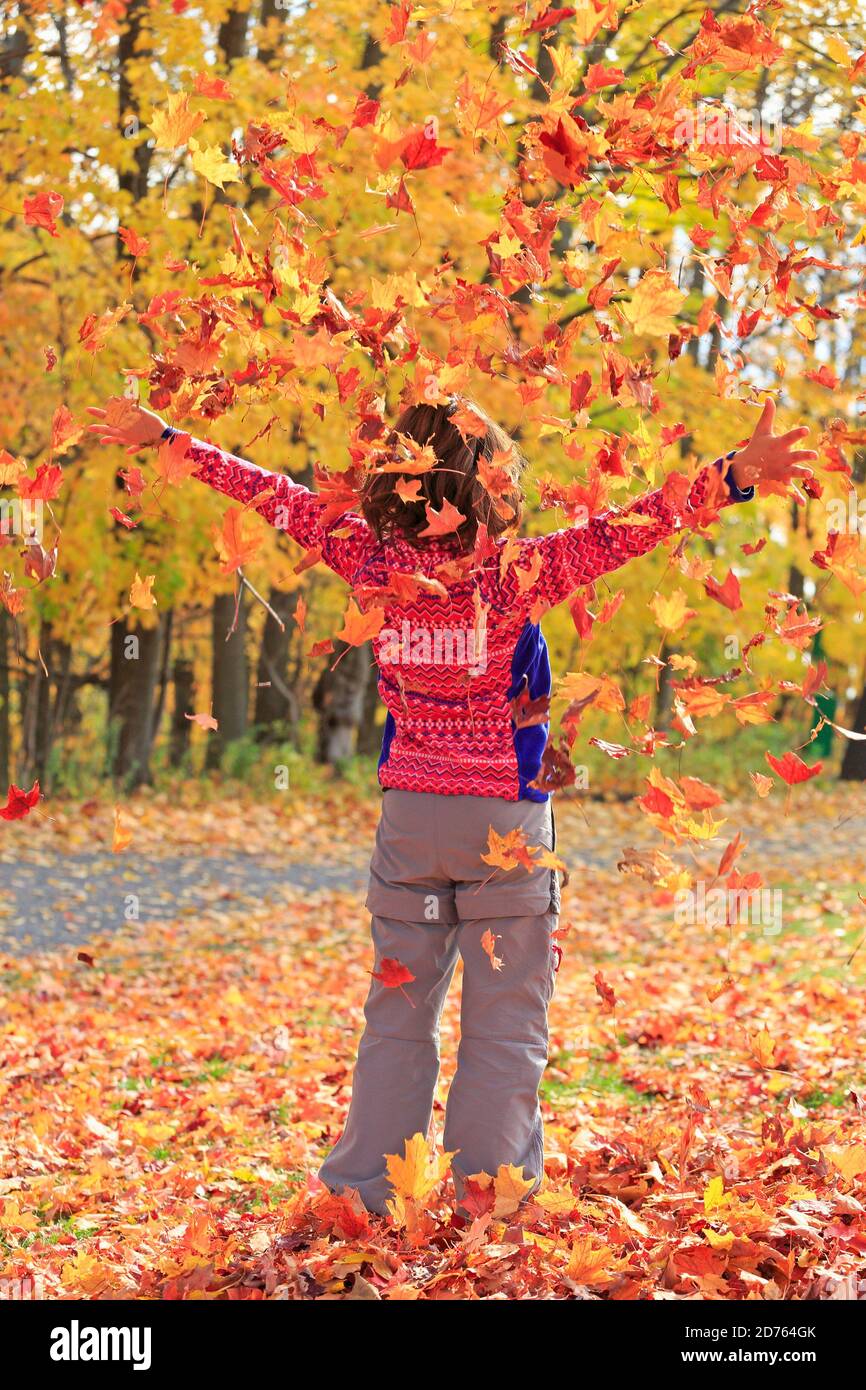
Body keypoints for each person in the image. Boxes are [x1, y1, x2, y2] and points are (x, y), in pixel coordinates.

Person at [89, 392, 816, 1214]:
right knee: (504, 1022)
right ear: (487, 479)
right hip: (501, 823)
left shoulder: (367, 562)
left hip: (410, 821)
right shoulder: (515, 573)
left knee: (398, 1014)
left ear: (392, 479)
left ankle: (361, 1194)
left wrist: (174, 439)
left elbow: (275, 495)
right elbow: (629, 528)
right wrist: (731, 476)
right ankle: (489, 1196)